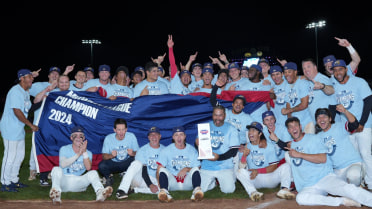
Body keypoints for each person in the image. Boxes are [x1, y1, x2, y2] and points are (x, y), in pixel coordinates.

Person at [284, 117, 372, 207]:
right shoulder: (291, 146)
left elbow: (323, 159)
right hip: (309, 186)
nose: (294, 128)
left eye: (296, 125)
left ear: (300, 126)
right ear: (288, 131)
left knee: (347, 188)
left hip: (324, 178)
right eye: (291, 127)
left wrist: (299, 154)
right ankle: (341, 201)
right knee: (301, 198)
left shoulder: (314, 138)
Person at [331, 59, 372, 191]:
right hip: (347, 128)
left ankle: (370, 183)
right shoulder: (335, 87)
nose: (338, 72)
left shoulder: (359, 82)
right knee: (354, 157)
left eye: (340, 69)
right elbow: (333, 107)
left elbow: (368, 102)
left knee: (365, 154)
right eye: (335, 70)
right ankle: (359, 182)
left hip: (364, 125)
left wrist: (362, 123)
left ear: (346, 70)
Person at [49, 126, 113, 204]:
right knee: (56, 169)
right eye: (75, 135)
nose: (78, 138)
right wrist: (79, 154)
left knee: (93, 173)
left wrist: (84, 152)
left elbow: (88, 167)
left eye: (81, 135)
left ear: (84, 138)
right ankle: (56, 195)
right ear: (71, 138)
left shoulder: (88, 153)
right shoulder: (64, 149)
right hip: (64, 181)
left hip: (79, 182)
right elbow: (63, 164)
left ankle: (100, 193)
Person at [236, 122, 295, 202]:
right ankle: (253, 193)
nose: (250, 133)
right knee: (239, 172)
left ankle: (284, 189)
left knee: (286, 166)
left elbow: (274, 166)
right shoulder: (247, 146)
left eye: (253, 130)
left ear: (260, 133)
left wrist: (258, 171)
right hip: (255, 178)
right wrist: (244, 156)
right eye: (249, 130)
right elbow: (241, 168)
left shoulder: (268, 145)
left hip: (270, 177)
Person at [0, 69, 38, 192]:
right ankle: (4, 183)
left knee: (20, 156)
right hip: (10, 127)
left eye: (32, 77)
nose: (32, 79)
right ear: (22, 78)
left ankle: (13, 180)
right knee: (10, 156)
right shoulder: (15, 91)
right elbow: (17, 111)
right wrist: (31, 125)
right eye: (29, 77)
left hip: (19, 127)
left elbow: (28, 108)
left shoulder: (25, 91)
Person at [196, 105, 240, 193]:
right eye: (215, 115)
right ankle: (212, 183)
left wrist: (218, 157)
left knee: (228, 190)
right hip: (207, 166)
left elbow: (233, 151)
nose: (218, 118)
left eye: (220, 115)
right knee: (200, 190)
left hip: (225, 166)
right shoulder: (205, 127)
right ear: (212, 115)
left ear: (225, 116)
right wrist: (197, 143)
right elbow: (199, 143)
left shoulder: (231, 129)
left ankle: (218, 180)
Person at [315, 107, 364, 186]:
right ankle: (349, 188)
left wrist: (345, 111)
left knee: (353, 175)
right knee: (326, 184)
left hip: (353, 164)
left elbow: (354, 124)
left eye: (324, 116)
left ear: (330, 119)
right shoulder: (317, 137)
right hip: (337, 170)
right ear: (317, 122)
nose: (321, 119)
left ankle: (356, 187)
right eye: (319, 118)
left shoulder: (339, 126)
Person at [115, 126, 165, 199]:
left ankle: (134, 190)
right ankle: (122, 189)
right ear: (148, 137)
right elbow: (144, 171)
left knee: (165, 188)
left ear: (160, 136)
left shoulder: (165, 150)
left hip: (156, 180)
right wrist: (150, 185)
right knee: (136, 163)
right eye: (151, 135)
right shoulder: (142, 150)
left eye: (156, 134)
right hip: (141, 178)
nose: (154, 137)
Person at [156, 126, 203, 202]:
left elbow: (198, 167)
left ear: (185, 136)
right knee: (162, 169)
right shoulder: (166, 150)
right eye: (176, 135)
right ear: (173, 137)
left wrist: (186, 169)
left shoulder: (192, 150)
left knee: (195, 168)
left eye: (181, 134)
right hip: (173, 182)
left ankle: (196, 191)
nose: (179, 137)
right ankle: (164, 192)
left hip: (187, 182)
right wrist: (159, 183)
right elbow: (159, 169)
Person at [98, 118, 139, 187]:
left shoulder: (131, 136)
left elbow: (138, 153)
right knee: (102, 165)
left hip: (127, 162)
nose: (121, 132)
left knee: (138, 161)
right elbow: (104, 156)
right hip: (114, 163)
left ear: (126, 129)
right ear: (114, 130)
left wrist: (132, 154)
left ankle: (127, 173)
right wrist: (111, 156)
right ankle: (109, 178)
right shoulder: (108, 138)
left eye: (123, 129)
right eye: (119, 130)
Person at [281, 62, 313, 133]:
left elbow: (304, 104)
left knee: (308, 142)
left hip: (307, 121)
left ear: (295, 72)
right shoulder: (286, 85)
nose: (287, 74)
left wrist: (288, 111)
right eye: (285, 72)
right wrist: (290, 120)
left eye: (289, 72)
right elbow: (288, 104)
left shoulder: (302, 83)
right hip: (295, 123)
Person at [301, 58, 337, 123]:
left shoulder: (323, 79)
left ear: (315, 67)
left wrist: (322, 86)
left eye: (308, 67)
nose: (306, 70)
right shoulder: (308, 82)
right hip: (319, 124)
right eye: (304, 68)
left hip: (330, 124)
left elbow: (332, 90)